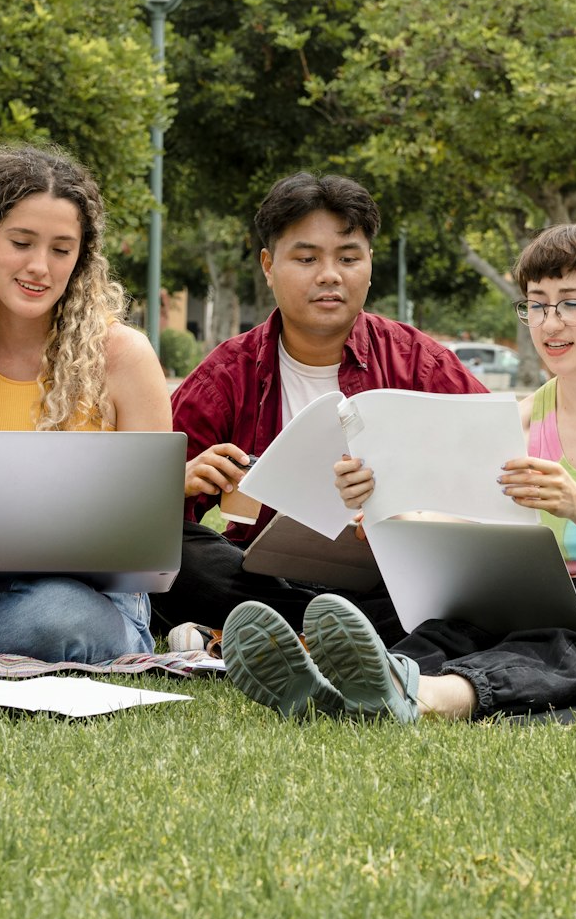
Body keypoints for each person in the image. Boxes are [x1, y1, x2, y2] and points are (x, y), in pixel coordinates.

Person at [220, 223, 576, 722]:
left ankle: (424, 695)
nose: (550, 323)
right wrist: (383, 508)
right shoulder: (516, 419)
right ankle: (331, 690)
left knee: (571, 647)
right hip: (555, 602)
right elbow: (468, 538)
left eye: (571, 304)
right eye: (535, 306)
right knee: (452, 630)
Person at [156, 172, 489, 639]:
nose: (329, 275)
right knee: (178, 555)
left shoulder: (422, 365)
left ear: (370, 264)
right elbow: (144, 520)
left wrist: (407, 508)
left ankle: (270, 633)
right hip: (258, 578)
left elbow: (493, 475)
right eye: (307, 257)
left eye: (348, 257)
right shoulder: (226, 374)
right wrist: (182, 483)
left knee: (457, 583)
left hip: (388, 577)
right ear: (269, 265)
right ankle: (332, 633)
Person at [0, 144, 172, 662]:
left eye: (61, 249)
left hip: (90, 599)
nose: (40, 267)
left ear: (82, 257)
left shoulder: (122, 356)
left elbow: (149, 539)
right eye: (21, 243)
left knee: (55, 617)